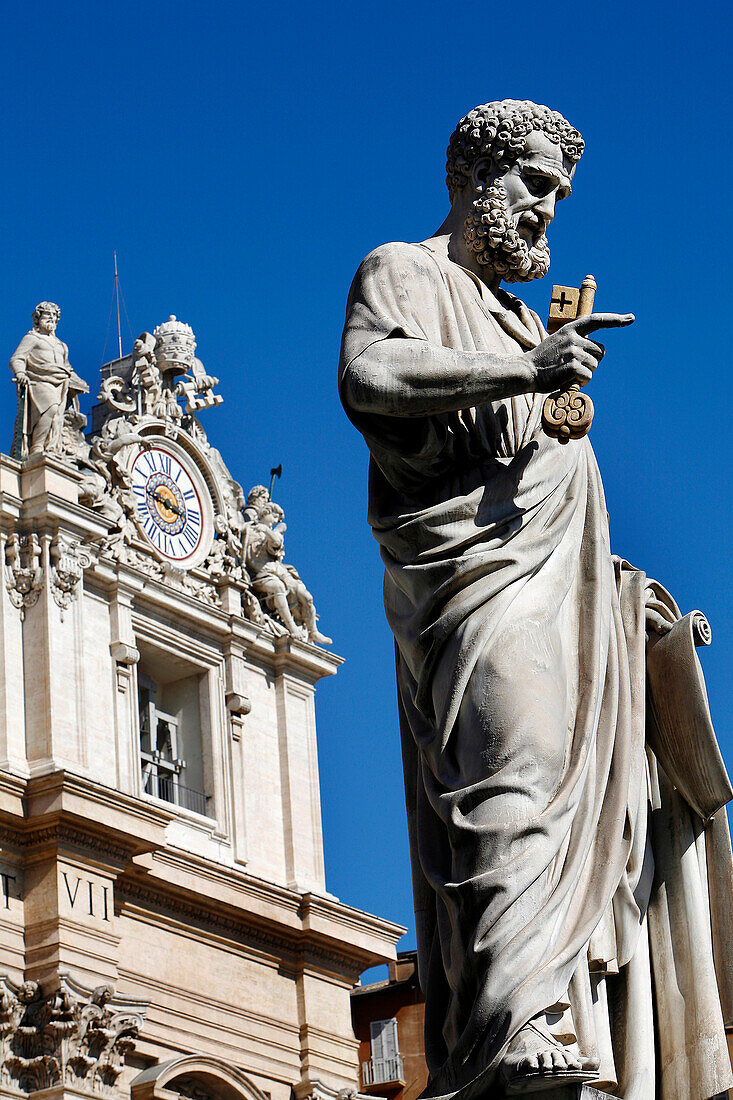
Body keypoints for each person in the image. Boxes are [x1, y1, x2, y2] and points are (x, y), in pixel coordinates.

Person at [339, 101, 733, 1099]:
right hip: (469, 584)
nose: (548, 208)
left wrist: (623, 599)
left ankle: (545, 1007)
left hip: (556, 596)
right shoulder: (404, 271)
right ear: (473, 179)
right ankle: (515, 1027)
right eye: (532, 183)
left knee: (558, 812)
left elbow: (558, 510)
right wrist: (528, 365)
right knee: (507, 772)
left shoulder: (522, 317)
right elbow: (368, 374)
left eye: (559, 192)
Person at [9, 301, 88, 457]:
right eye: (47, 315)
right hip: (39, 379)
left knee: (57, 418)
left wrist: (80, 383)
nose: (51, 318)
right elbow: (17, 359)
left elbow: (67, 368)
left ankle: (49, 448)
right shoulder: (32, 338)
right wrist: (20, 373)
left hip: (61, 383)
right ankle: (36, 448)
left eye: (54, 315)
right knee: (49, 408)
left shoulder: (61, 345)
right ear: (38, 318)